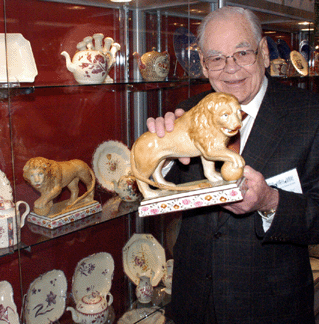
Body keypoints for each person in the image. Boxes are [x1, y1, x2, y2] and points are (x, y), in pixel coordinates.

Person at [146, 6, 319, 324]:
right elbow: (156, 189)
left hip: (271, 309)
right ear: (202, 63)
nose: (231, 69)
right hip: (194, 303)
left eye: (242, 53)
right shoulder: (187, 111)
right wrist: (161, 147)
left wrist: (270, 201)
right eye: (217, 58)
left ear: (264, 53)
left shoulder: (309, 115)